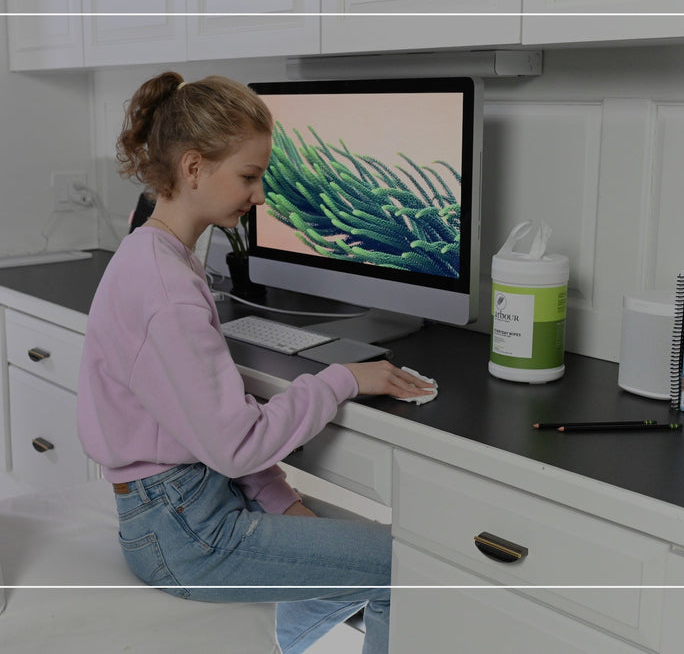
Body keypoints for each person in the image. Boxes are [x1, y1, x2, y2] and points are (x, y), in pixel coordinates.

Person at [76, 71, 435, 654]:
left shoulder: (155, 254)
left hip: (178, 510)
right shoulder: (167, 291)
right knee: (409, 569)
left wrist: (280, 499)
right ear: (193, 168)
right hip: (186, 531)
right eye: (249, 175)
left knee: (370, 550)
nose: (261, 195)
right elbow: (236, 444)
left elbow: (211, 426)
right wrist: (341, 379)